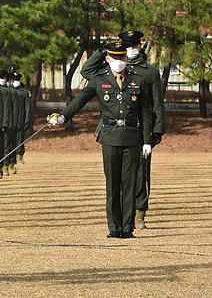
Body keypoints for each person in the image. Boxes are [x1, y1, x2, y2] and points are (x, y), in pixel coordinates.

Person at [48, 41, 152, 238]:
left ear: (126, 58)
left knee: (129, 184)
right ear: (107, 58)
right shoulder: (98, 79)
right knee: (113, 183)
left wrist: (147, 140)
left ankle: (127, 228)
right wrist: (63, 116)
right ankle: (114, 227)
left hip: (132, 136)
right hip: (110, 135)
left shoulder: (138, 80)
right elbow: (80, 99)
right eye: (114, 57)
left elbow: (145, 112)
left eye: (122, 57)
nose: (119, 61)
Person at [81, 30, 165, 230]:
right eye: (126, 46)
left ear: (140, 47)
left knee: (140, 173)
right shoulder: (107, 67)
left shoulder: (149, 71)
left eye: (134, 46)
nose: (130, 50)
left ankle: (139, 212)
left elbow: (156, 103)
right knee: (115, 176)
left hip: (139, 129)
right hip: (112, 129)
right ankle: (119, 218)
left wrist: (157, 129)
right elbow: (86, 71)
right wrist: (103, 52)